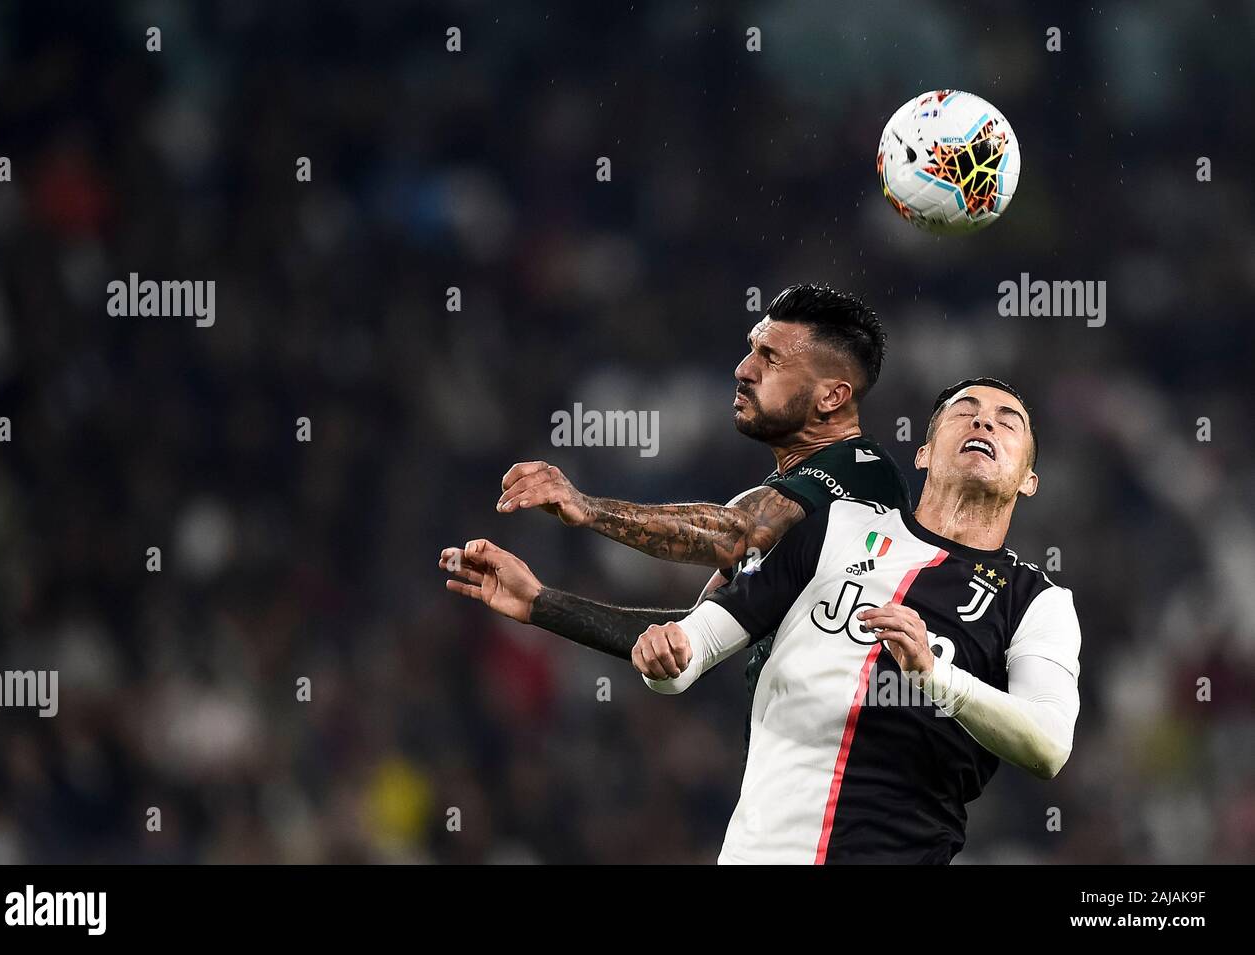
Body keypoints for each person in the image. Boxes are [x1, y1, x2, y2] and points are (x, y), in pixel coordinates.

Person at [442, 379, 1080, 864]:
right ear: (922, 452)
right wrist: (543, 603)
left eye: (1008, 421)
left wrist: (938, 677)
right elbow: (697, 642)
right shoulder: (837, 526)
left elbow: (1049, 746)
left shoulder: (1038, 602)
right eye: (966, 411)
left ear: (1029, 479)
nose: (984, 423)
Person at [492, 284, 908, 748]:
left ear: (832, 397)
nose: (743, 370)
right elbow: (689, 641)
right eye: (752, 350)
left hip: (857, 780)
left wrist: (589, 509)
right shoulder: (791, 511)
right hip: (785, 785)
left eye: (770, 359)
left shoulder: (865, 474)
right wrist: (539, 603)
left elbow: (734, 532)